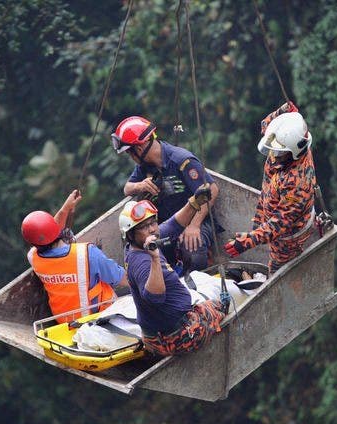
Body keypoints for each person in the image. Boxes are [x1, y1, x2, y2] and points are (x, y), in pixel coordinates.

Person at [119, 184, 226, 356]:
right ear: (130, 234)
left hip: (157, 337)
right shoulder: (143, 261)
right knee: (221, 306)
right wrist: (154, 258)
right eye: (144, 227)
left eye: (153, 222)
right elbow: (155, 298)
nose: (152, 229)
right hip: (178, 337)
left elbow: (174, 225)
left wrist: (194, 203)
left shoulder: (141, 244)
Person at [112, 115, 220, 274]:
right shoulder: (144, 166)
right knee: (148, 250)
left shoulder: (180, 160)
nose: (131, 157)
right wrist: (140, 185)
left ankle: (203, 283)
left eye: (130, 153)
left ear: (139, 149)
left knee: (192, 248)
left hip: (197, 220)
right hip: (169, 224)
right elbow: (127, 189)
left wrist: (194, 225)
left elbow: (212, 190)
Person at [223, 101, 317, 273]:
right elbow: (266, 125)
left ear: (294, 152)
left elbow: (279, 224)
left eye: (279, 152)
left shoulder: (298, 183)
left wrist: (248, 241)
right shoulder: (284, 138)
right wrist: (282, 111)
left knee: (277, 269)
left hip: (288, 236)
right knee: (259, 231)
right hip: (269, 202)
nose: (274, 155)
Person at [22, 190, 128, 323]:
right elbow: (123, 279)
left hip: (65, 323)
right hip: (100, 318)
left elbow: (45, 234)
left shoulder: (33, 257)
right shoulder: (87, 253)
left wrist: (64, 210)